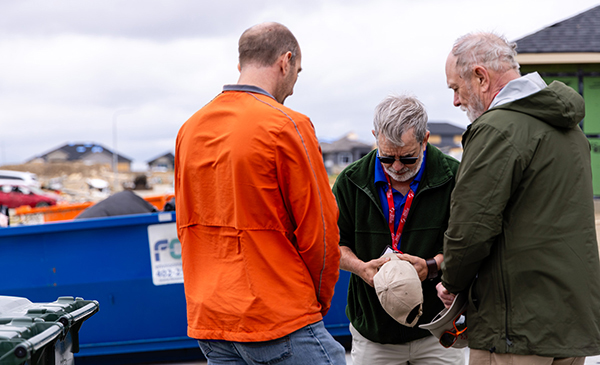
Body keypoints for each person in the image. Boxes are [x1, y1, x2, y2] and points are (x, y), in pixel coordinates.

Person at [174, 22, 345, 365]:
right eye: (296, 73)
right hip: (277, 315)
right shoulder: (286, 125)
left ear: (241, 65)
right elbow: (320, 232)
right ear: (285, 62)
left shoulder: (189, 130)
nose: (293, 87)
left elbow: (185, 224)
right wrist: (316, 302)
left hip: (212, 319)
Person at [438, 32, 600, 365]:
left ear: (481, 77)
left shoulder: (496, 129)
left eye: (456, 88)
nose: (455, 101)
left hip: (516, 330)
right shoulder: (570, 130)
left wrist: (451, 282)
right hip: (569, 326)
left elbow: (470, 227)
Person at [333, 94, 464, 364]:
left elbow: (470, 242)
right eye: (386, 158)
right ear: (375, 136)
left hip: (436, 331)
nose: (396, 168)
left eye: (408, 158)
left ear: (425, 139)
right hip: (373, 334)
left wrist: (432, 265)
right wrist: (360, 268)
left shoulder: (455, 176)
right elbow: (333, 243)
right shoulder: (350, 181)